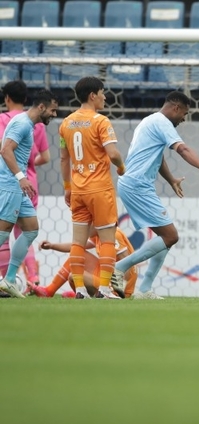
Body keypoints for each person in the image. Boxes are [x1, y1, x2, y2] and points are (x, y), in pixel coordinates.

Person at [110, 91, 199, 300]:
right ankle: (120, 267)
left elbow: (157, 156)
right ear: (176, 108)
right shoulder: (162, 122)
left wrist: (171, 179)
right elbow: (183, 150)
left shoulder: (149, 121)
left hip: (135, 184)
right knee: (171, 236)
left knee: (165, 237)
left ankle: (145, 290)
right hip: (137, 185)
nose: (183, 119)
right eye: (184, 114)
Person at [59, 76, 126, 299]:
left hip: (77, 190)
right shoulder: (101, 122)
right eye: (102, 92)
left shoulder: (65, 123)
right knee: (107, 239)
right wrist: (121, 167)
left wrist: (68, 187)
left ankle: (79, 289)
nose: (105, 97)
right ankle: (105, 290)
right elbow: (114, 154)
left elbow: (63, 159)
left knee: (78, 242)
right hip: (99, 189)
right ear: (92, 95)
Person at [0, 89, 58, 298]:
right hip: (10, 185)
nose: (54, 114)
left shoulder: (29, 125)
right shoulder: (23, 124)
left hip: (18, 186)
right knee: (3, 232)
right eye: (52, 110)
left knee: (31, 229)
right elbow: (5, 150)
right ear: (41, 107)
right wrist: (20, 177)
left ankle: (8, 280)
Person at [28, 226, 138, 298]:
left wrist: (119, 289)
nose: (83, 227)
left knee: (74, 276)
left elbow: (128, 267)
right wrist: (52, 246)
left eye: (87, 223)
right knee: (78, 254)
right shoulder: (100, 234)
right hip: (109, 277)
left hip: (120, 287)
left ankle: (90, 294)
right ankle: (50, 290)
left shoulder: (113, 235)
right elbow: (76, 246)